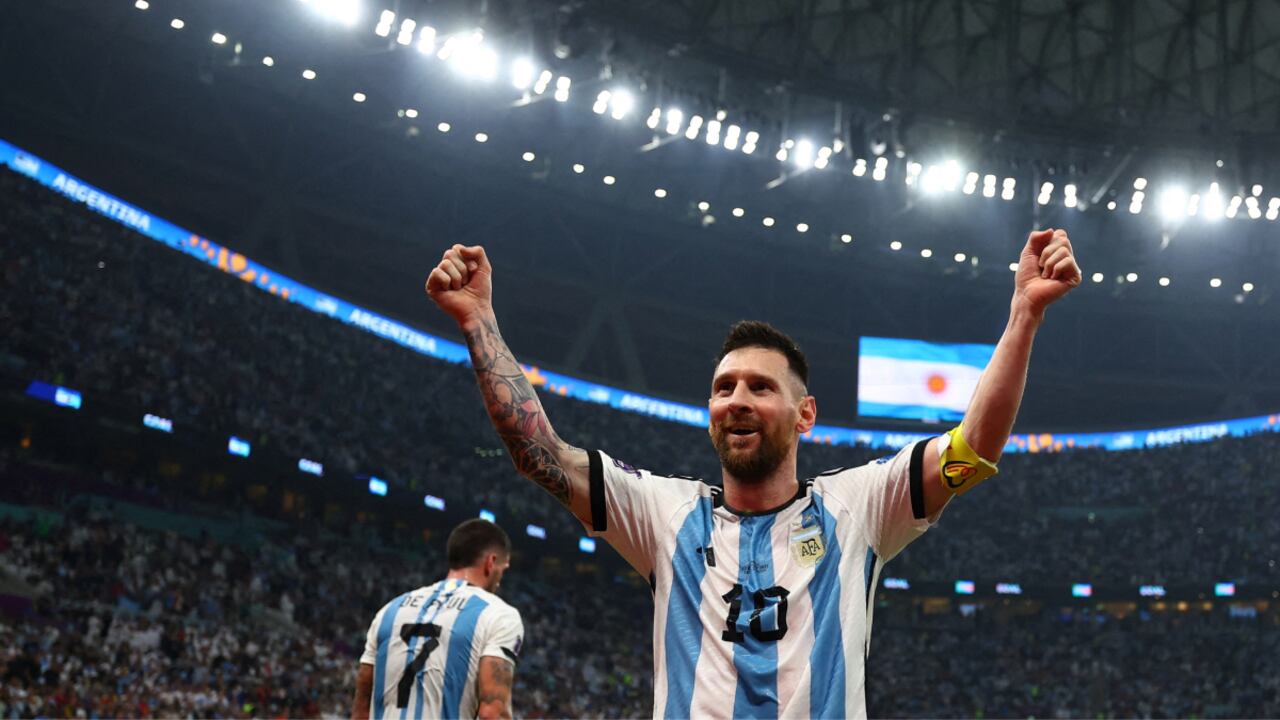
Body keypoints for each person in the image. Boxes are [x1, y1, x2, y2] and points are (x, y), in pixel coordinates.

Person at [426, 229, 1081, 718]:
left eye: (760, 387)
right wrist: (479, 321)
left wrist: (1025, 314)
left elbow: (972, 447)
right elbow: (539, 453)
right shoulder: (664, 514)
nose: (736, 398)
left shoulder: (858, 508)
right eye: (723, 387)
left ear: (805, 416)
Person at [353, 519, 523, 720]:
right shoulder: (499, 614)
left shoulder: (389, 610)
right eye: (502, 570)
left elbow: (361, 707)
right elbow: (493, 713)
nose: (500, 580)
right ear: (490, 562)